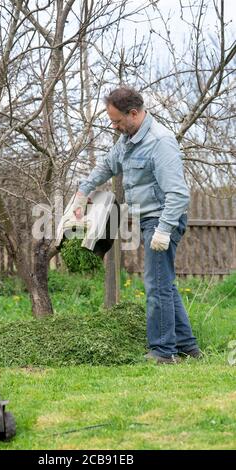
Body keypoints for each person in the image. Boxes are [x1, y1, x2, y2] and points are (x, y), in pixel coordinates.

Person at [69, 86, 200, 364]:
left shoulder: (159, 142)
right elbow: (107, 165)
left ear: (134, 113)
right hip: (149, 219)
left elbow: (178, 194)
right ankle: (188, 347)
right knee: (165, 283)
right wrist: (83, 192)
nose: (114, 126)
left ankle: (163, 352)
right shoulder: (128, 140)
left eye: (117, 120)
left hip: (163, 219)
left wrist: (164, 230)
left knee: (156, 285)